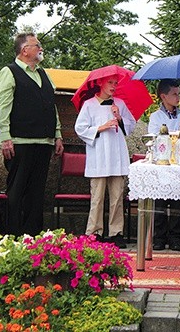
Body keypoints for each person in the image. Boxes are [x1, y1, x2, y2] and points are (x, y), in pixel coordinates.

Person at [0, 32, 64, 236]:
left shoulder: (44, 74)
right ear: (25, 50)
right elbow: (3, 107)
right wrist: (5, 137)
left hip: (44, 141)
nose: (40, 48)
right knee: (17, 190)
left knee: (37, 191)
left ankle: (33, 235)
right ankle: (12, 235)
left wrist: (57, 134)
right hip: (19, 140)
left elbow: (51, 106)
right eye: (37, 45)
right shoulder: (9, 72)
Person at [74, 75, 136, 248]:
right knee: (97, 197)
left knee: (117, 197)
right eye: (110, 82)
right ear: (100, 83)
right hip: (99, 155)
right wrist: (101, 127)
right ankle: (94, 232)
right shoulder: (89, 105)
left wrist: (120, 118)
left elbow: (131, 127)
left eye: (116, 83)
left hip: (117, 155)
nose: (114, 86)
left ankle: (116, 232)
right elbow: (80, 128)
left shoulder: (120, 104)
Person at [148, 79, 180, 251]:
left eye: (179, 94)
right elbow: (153, 138)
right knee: (160, 201)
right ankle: (159, 237)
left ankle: (176, 237)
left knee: (177, 200)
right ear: (163, 96)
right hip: (162, 165)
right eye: (174, 94)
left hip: (177, 165)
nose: (178, 98)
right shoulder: (155, 117)